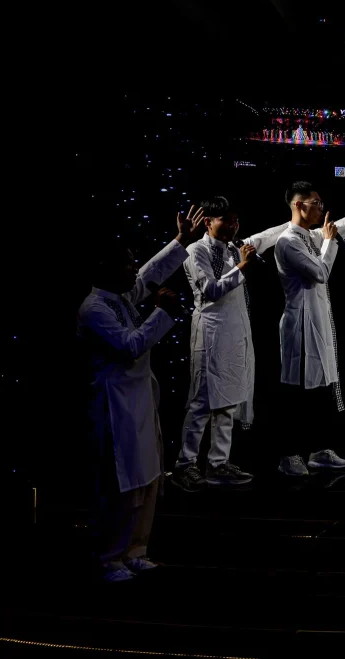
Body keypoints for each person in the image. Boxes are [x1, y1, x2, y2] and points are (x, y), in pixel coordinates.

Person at [77, 206, 203, 582]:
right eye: (126, 264)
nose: (133, 269)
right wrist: (161, 313)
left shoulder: (119, 298)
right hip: (115, 408)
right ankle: (110, 558)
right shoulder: (94, 309)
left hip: (139, 404)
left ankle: (135, 550)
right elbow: (130, 346)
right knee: (123, 485)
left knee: (148, 479)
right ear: (106, 268)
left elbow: (149, 274)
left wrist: (180, 241)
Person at [172, 196, 288, 491]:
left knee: (228, 401)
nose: (233, 226)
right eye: (227, 220)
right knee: (202, 402)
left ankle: (218, 464)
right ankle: (185, 465)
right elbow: (211, 290)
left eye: (236, 220)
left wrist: (296, 221)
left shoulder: (235, 247)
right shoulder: (195, 250)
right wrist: (242, 267)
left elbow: (268, 235)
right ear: (208, 222)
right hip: (210, 334)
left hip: (236, 335)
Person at [275, 181, 345, 476]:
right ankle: (289, 454)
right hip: (300, 323)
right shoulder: (288, 241)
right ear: (299, 205)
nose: (321, 208)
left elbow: (333, 228)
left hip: (317, 320)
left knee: (320, 387)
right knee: (297, 390)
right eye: (316, 203)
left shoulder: (308, 236)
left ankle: (319, 450)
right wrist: (331, 243)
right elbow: (320, 272)